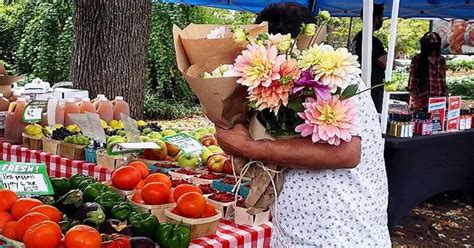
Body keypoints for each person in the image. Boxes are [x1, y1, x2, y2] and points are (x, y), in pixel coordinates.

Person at [216, 3, 391, 247]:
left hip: (337, 236)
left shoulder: (330, 74)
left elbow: (346, 152)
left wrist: (247, 147)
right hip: (298, 234)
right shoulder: (288, 79)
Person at [351, 3, 387, 113]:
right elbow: (385, 63)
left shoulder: (357, 38)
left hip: (359, 86)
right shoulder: (373, 42)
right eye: (380, 17)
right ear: (376, 18)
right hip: (372, 89)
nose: (381, 20)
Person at [407, 32, 447, 111]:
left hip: (439, 103)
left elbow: (443, 82)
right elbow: (412, 84)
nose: (432, 42)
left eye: (434, 40)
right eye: (429, 40)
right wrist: (416, 102)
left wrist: (446, 99)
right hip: (422, 104)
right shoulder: (417, 59)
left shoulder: (441, 60)